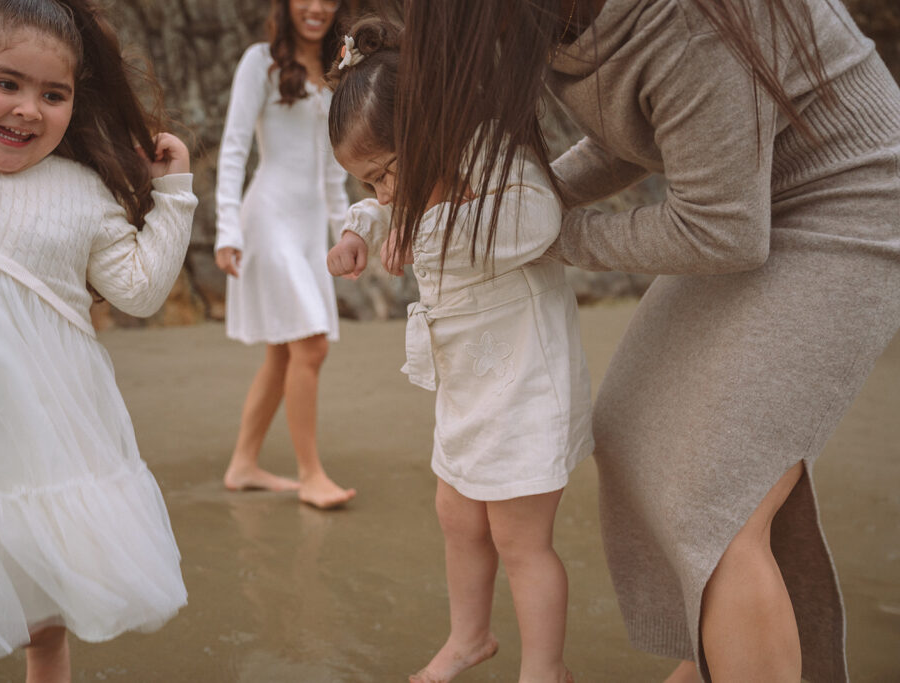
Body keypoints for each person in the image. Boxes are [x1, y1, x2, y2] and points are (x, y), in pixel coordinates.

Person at [388, 1, 900, 681]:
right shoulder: (560, 18)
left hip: (848, 197)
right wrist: (510, 213)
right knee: (630, 428)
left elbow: (721, 231)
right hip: (750, 193)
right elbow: (629, 137)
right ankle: (720, 652)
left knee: (712, 494)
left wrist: (542, 234)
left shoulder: (689, 24)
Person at [0, 0, 197, 680]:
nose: (28, 108)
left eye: (54, 94)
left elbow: (138, 290)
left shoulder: (81, 191)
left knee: (44, 620)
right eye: (6, 82)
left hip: (44, 443)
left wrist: (173, 195)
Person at [326, 19, 593, 683]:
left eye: (385, 173)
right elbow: (389, 205)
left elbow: (539, 217)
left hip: (525, 381)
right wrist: (361, 228)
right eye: (369, 182)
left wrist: (423, 230)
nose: (384, 192)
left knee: (520, 537)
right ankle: (469, 636)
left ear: (428, 126)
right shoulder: (409, 180)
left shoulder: (490, 154)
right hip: (468, 378)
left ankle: (545, 667)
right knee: (456, 509)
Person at [214, 0, 356, 509]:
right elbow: (234, 149)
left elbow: (336, 166)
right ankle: (311, 474)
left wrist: (347, 232)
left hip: (309, 225)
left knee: (284, 351)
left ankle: (244, 464)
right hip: (268, 217)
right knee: (311, 345)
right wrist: (227, 229)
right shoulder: (260, 62)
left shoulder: (344, 68)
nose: (315, 7)